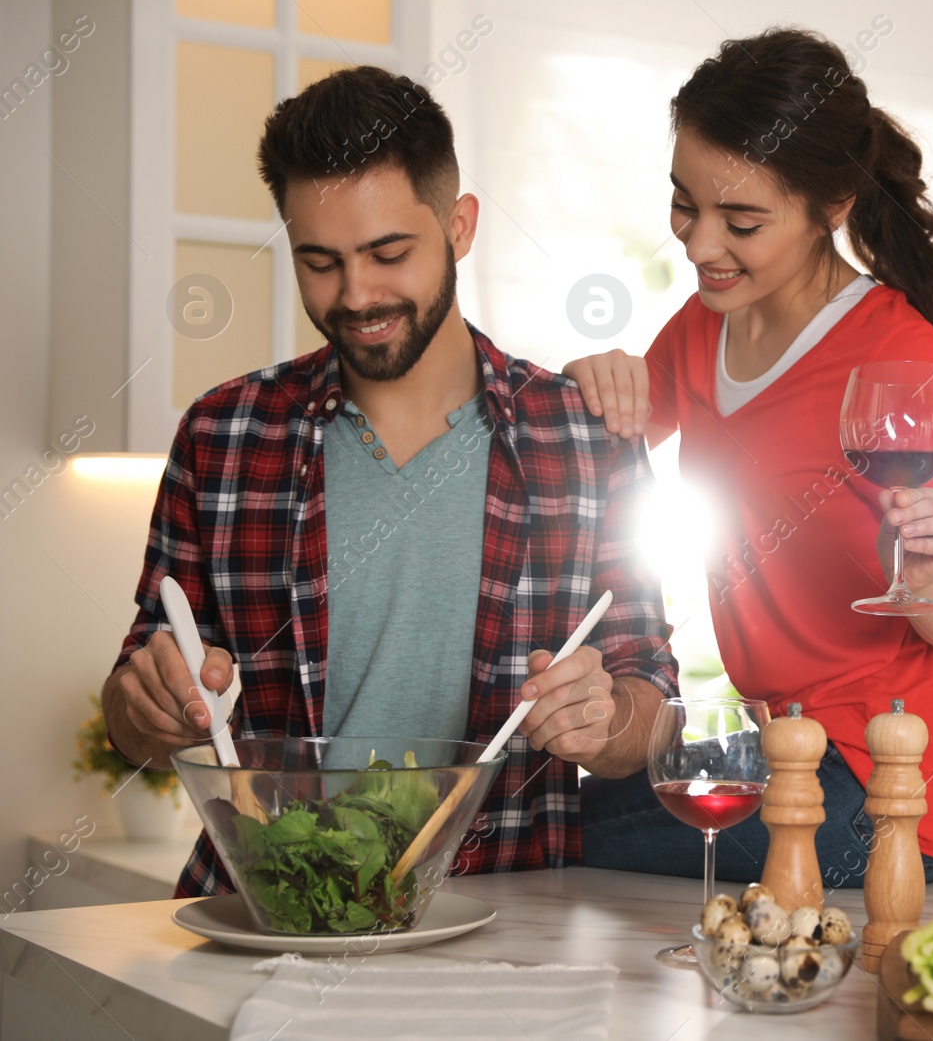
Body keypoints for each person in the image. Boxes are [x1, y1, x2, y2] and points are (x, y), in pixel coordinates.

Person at [100, 66, 678, 896]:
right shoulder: (224, 435)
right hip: (269, 912)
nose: (358, 294)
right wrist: (148, 705)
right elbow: (134, 712)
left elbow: (653, 702)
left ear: (460, 225)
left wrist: (605, 716)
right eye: (321, 262)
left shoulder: (583, 437)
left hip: (503, 918)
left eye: (389, 252)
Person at [572, 28, 933, 888]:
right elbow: (587, 442)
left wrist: (930, 570)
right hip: (786, 745)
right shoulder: (705, 327)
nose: (701, 245)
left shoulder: (896, 351)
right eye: (684, 204)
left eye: (741, 222)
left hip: (896, 780)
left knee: (556, 827)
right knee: (553, 801)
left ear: (833, 204)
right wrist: (589, 378)